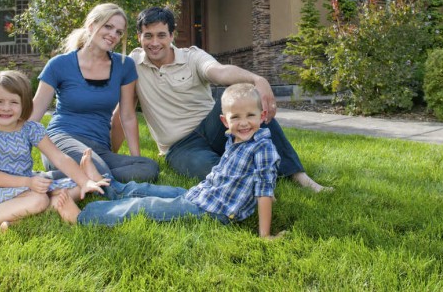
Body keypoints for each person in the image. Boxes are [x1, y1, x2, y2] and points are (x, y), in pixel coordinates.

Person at [112, 6, 331, 192]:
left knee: (249, 100)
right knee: (215, 174)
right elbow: (123, 114)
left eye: (161, 35)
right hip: (179, 147)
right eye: (147, 36)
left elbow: (221, 72)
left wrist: (257, 80)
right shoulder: (133, 66)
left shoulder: (192, 56)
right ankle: (248, 175)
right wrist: (116, 157)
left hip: (216, 125)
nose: (154, 42)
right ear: (139, 37)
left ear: (172, 36)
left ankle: (298, 175)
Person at [56, 83, 283, 238]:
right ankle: (110, 187)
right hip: (204, 194)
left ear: (263, 117)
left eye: (251, 116)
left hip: (214, 211)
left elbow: (263, 192)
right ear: (225, 121)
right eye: (236, 117)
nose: (244, 123)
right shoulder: (235, 138)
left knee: (146, 206)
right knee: (148, 190)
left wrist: (264, 235)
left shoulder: (262, 149)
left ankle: (84, 217)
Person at [0, 71, 109, 236]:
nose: (6, 108)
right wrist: (28, 182)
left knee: (76, 186)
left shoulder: (30, 129)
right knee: (40, 199)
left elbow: (59, 158)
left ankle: (16, 222)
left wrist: (83, 182)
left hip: (26, 186)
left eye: (13, 102)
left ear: (24, 104)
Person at [31, 3, 159, 183]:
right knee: (96, 167)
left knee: (148, 168)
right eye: (108, 26)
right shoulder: (59, 64)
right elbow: (34, 115)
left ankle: (53, 179)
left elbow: (128, 116)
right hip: (62, 140)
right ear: (91, 26)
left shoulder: (124, 66)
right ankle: (88, 176)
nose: (113, 35)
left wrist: (135, 159)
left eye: (119, 32)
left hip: (100, 148)